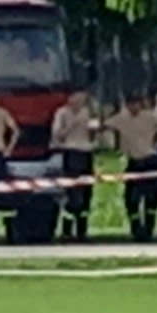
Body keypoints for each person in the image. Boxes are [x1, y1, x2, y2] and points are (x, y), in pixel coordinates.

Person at [106, 91, 157, 240]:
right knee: (131, 198)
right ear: (127, 105)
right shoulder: (121, 119)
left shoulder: (149, 117)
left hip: (150, 159)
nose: (134, 107)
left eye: (136, 104)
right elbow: (105, 125)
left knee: (152, 197)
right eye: (131, 105)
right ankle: (136, 228)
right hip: (134, 160)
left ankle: (149, 228)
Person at [50, 91, 96, 240]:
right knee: (72, 193)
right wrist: (71, 125)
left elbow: (94, 133)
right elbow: (57, 136)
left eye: (83, 99)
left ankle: (82, 230)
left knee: (86, 193)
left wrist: (94, 128)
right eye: (77, 98)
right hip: (70, 152)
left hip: (86, 152)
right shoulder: (62, 113)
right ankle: (67, 230)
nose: (80, 101)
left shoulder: (88, 112)